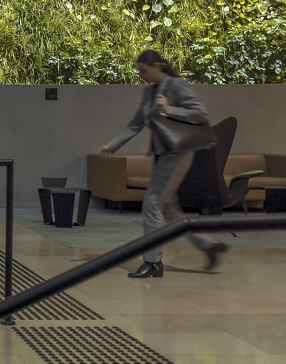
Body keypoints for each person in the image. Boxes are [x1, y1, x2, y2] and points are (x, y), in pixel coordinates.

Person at [97, 49, 227, 278]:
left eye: (144, 70)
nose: (141, 75)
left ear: (158, 65)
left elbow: (200, 114)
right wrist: (112, 145)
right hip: (162, 156)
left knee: (152, 202)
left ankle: (153, 262)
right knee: (168, 209)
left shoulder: (176, 85)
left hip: (177, 154)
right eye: (139, 71)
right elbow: (135, 124)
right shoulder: (148, 93)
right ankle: (207, 244)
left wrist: (169, 108)